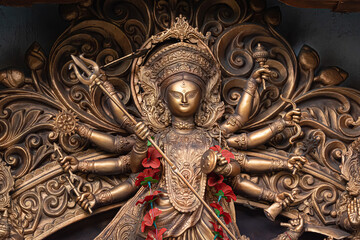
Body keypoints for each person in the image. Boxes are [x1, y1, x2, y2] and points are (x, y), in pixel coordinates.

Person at [61, 16, 306, 239]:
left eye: (191, 94)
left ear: (204, 96)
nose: (185, 99)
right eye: (177, 94)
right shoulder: (158, 137)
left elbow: (239, 167)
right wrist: (133, 147)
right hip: (162, 213)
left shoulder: (213, 135)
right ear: (163, 100)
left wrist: (268, 190)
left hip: (205, 214)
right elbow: (130, 169)